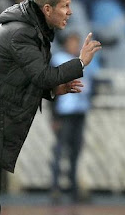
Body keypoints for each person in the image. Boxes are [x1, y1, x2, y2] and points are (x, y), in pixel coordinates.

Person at [0, 0, 101, 214]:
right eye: (65, 6)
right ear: (47, 9)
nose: (70, 11)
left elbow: (18, 81)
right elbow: (41, 76)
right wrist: (80, 63)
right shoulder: (22, 33)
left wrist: (53, 90)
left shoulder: (30, 29)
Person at [50, 31, 100, 202]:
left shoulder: (84, 62)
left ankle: (72, 188)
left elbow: (94, 83)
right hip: (64, 112)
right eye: (72, 42)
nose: (74, 45)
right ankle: (55, 187)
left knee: (75, 151)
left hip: (80, 111)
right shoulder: (58, 60)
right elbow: (52, 88)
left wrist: (90, 97)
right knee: (60, 150)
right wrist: (54, 116)